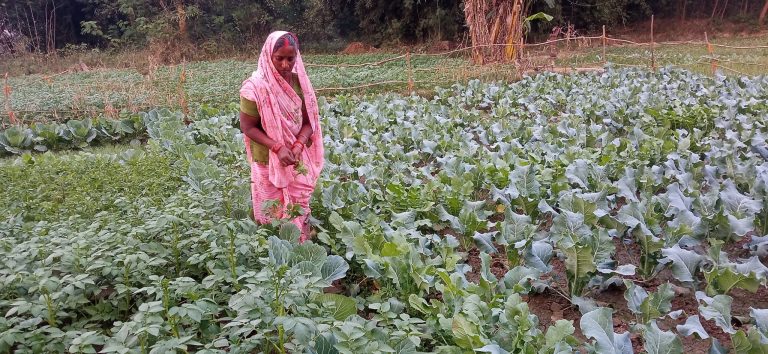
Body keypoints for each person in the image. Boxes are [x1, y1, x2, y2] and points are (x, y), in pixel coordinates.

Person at [239, 31, 324, 243]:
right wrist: (277, 147)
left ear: (297, 57)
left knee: (298, 203)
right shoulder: (255, 87)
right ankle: (271, 249)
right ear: (269, 55)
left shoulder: (300, 83)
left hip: (296, 156)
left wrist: (297, 144)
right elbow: (248, 127)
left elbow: (309, 122)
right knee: (271, 209)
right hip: (266, 157)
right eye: (279, 58)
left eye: (290, 58)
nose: (285, 64)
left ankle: (300, 245)